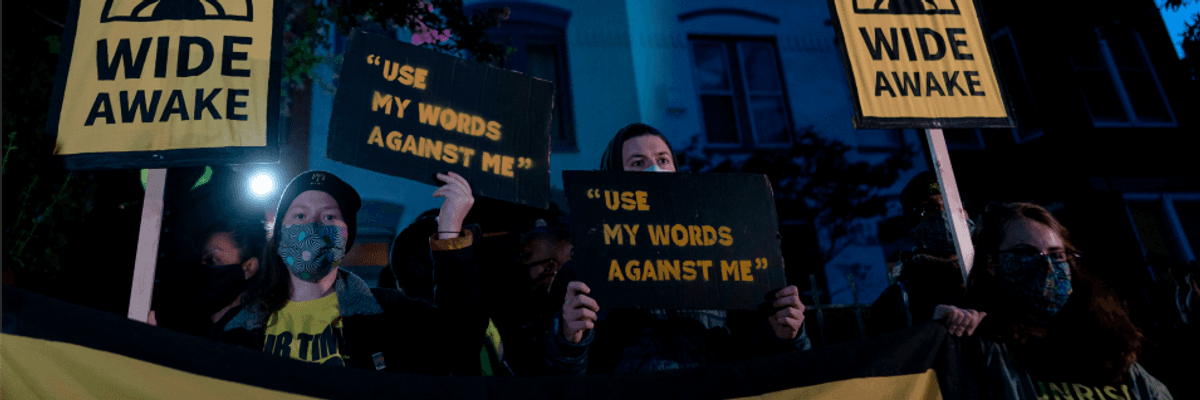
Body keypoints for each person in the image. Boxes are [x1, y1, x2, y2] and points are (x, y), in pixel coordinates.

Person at [546, 123, 809, 374]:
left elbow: (763, 362)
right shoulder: (585, 269)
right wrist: (569, 338)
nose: (654, 169)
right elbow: (557, 379)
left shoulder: (724, 254)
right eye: (638, 163)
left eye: (662, 160)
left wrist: (787, 336)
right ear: (614, 177)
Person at [214, 170, 487, 375]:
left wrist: (450, 231)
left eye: (330, 216)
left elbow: (459, 341)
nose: (314, 226)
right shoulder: (237, 327)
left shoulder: (387, 315)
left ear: (346, 237)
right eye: (299, 216)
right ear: (279, 234)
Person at [965, 202, 1172, 399]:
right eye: (1025, 253)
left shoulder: (1110, 351)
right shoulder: (982, 350)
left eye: (1056, 255)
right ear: (992, 264)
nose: (1047, 267)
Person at [868, 172, 985, 337]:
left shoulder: (996, 279)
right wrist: (929, 326)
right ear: (913, 224)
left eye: (953, 205)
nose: (944, 215)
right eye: (927, 209)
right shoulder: (898, 300)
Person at [149, 219, 266, 337]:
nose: (203, 269)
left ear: (249, 267)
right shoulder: (184, 320)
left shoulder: (257, 333)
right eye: (201, 261)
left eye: (213, 260)